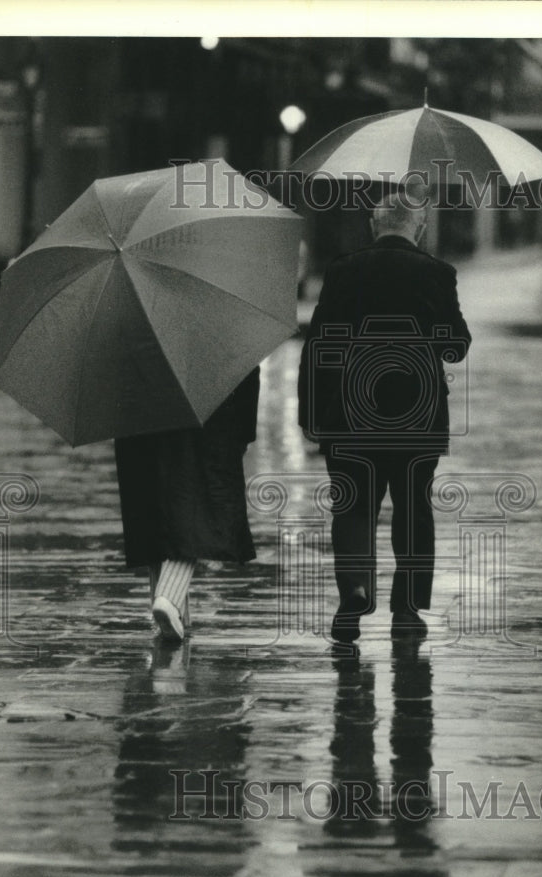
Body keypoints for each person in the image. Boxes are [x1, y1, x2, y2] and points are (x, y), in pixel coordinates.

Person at [298, 192, 471, 643]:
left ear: (374, 225)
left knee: (353, 507)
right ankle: (407, 611)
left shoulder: (342, 270)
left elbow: (318, 346)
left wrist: (311, 414)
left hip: (349, 415)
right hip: (416, 418)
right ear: (419, 227)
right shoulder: (437, 273)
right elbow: (456, 344)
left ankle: (355, 591)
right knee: (414, 511)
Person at [114, 367, 260, 642]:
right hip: (206, 423)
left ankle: (175, 613)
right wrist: (244, 432)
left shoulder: (131, 329)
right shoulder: (218, 328)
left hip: (139, 424)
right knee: (198, 513)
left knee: (155, 513)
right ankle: (169, 598)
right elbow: (244, 371)